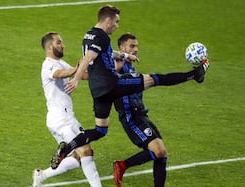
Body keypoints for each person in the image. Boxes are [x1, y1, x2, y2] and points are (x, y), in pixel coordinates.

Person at [51, 5, 209, 174]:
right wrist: (76, 79)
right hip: (112, 84)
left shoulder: (88, 35)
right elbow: (88, 58)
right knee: (154, 79)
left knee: (100, 130)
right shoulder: (102, 36)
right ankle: (194, 75)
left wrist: (125, 56)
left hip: (97, 91)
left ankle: (67, 148)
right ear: (108, 20)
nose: (117, 26)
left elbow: (104, 53)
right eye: (116, 22)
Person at [112, 33, 209, 187]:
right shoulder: (116, 66)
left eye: (136, 46)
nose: (136, 49)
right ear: (122, 48)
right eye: (132, 46)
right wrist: (192, 75)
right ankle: (122, 165)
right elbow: (161, 79)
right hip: (130, 118)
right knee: (157, 151)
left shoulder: (131, 68)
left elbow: (162, 79)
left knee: (162, 154)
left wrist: (195, 74)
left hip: (141, 114)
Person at [32, 31, 122, 187]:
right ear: (50, 47)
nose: (63, 45)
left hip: (59, 119)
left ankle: (42, 174)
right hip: (62, 119)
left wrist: (111, 70)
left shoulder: (60, 62)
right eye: (59, 42)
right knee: (86, 150)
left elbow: (83, 75)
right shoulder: (48, 65)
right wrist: (76, 68)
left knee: (78, 157)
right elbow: (61, 74)